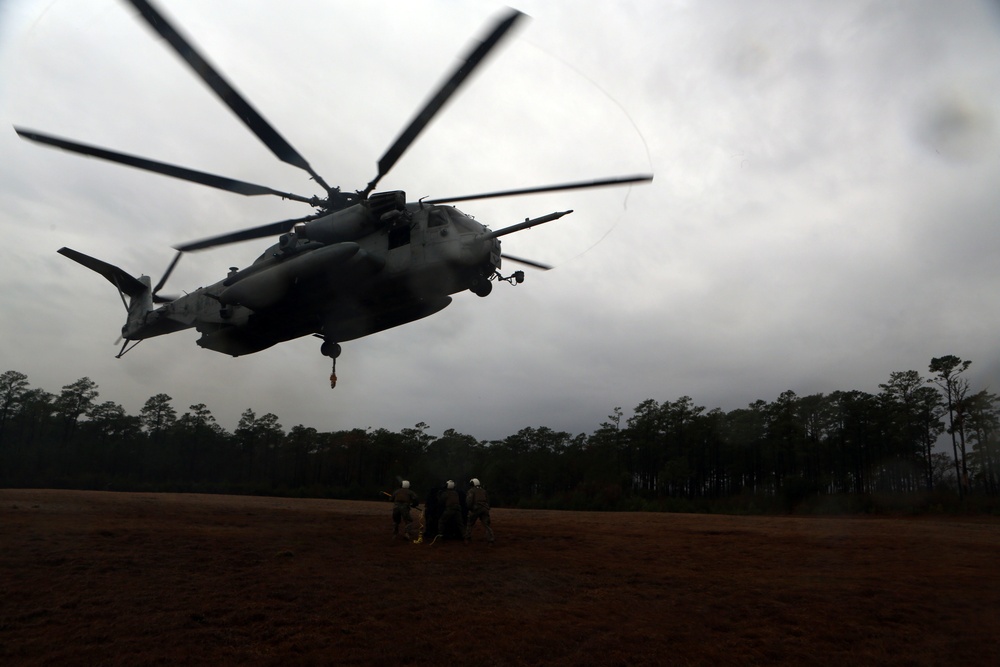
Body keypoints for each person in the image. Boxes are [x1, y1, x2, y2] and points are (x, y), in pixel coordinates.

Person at [465, 477, 494, 545]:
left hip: (476, 508)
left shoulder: (471, 491)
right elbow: (487, 500)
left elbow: (469, 501)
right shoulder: (483, 491)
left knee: (470, 524)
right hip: (485, 508)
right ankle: (491, 540)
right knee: (487, 525)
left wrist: (469, 508)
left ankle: (467, 538)